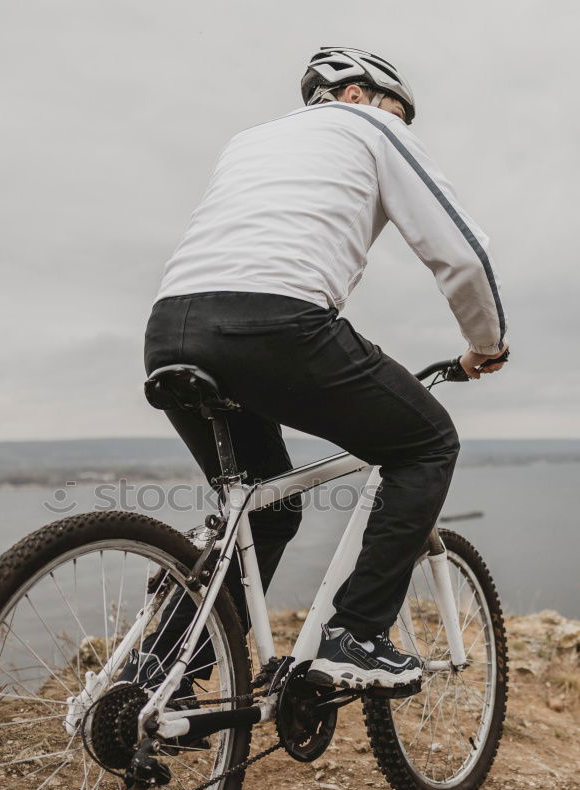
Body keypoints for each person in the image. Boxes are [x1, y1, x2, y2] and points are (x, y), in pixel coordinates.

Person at [140, 46, 508, 696]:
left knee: (267, 509)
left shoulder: (249, 141)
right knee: (427, 444)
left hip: (170, 329)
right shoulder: (371, 127)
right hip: (273, 325)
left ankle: (160, 678)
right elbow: (460, 253)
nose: (402, 124)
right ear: (358, 94)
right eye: (400, 111)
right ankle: (356, 637)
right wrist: (486, 342)